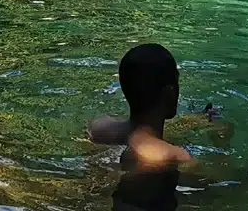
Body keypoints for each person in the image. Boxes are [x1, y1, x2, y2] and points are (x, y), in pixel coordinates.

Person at [87, 44, 219, 211]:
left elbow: (141, 136)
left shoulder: (100, 127)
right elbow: (221, 182)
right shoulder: (174, 156)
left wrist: (195, 121)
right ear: (170, 93)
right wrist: (221, 137)